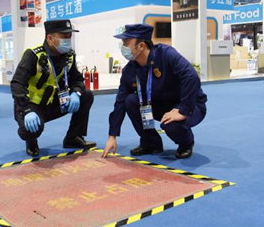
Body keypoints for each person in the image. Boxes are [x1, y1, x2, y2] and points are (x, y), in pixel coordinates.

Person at [102, 24, 207, 159]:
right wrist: (112, 136)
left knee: (171, 124)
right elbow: (120, 102)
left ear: (141, 46)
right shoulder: (130, 70)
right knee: (131, 101)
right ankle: (151, 143)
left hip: (189, 104)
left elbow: (191, 76)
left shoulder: (166, 54)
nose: (123, 48)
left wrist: (183, 110)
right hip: (160, 104)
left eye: (126, 43)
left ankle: (186, 143)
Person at [11, 19, 96, 156]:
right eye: (64, 36)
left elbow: (77, 79)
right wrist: (26, 110)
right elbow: (17, 83)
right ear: (50, 38)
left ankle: (73, 137)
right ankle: (31, 140)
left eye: (69, 36)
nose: (68, 40)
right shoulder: (33, 56)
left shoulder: (69, 56)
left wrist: (76, 93)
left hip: (55, 103)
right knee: (32, 128)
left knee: (86, 95)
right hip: (33, 106)